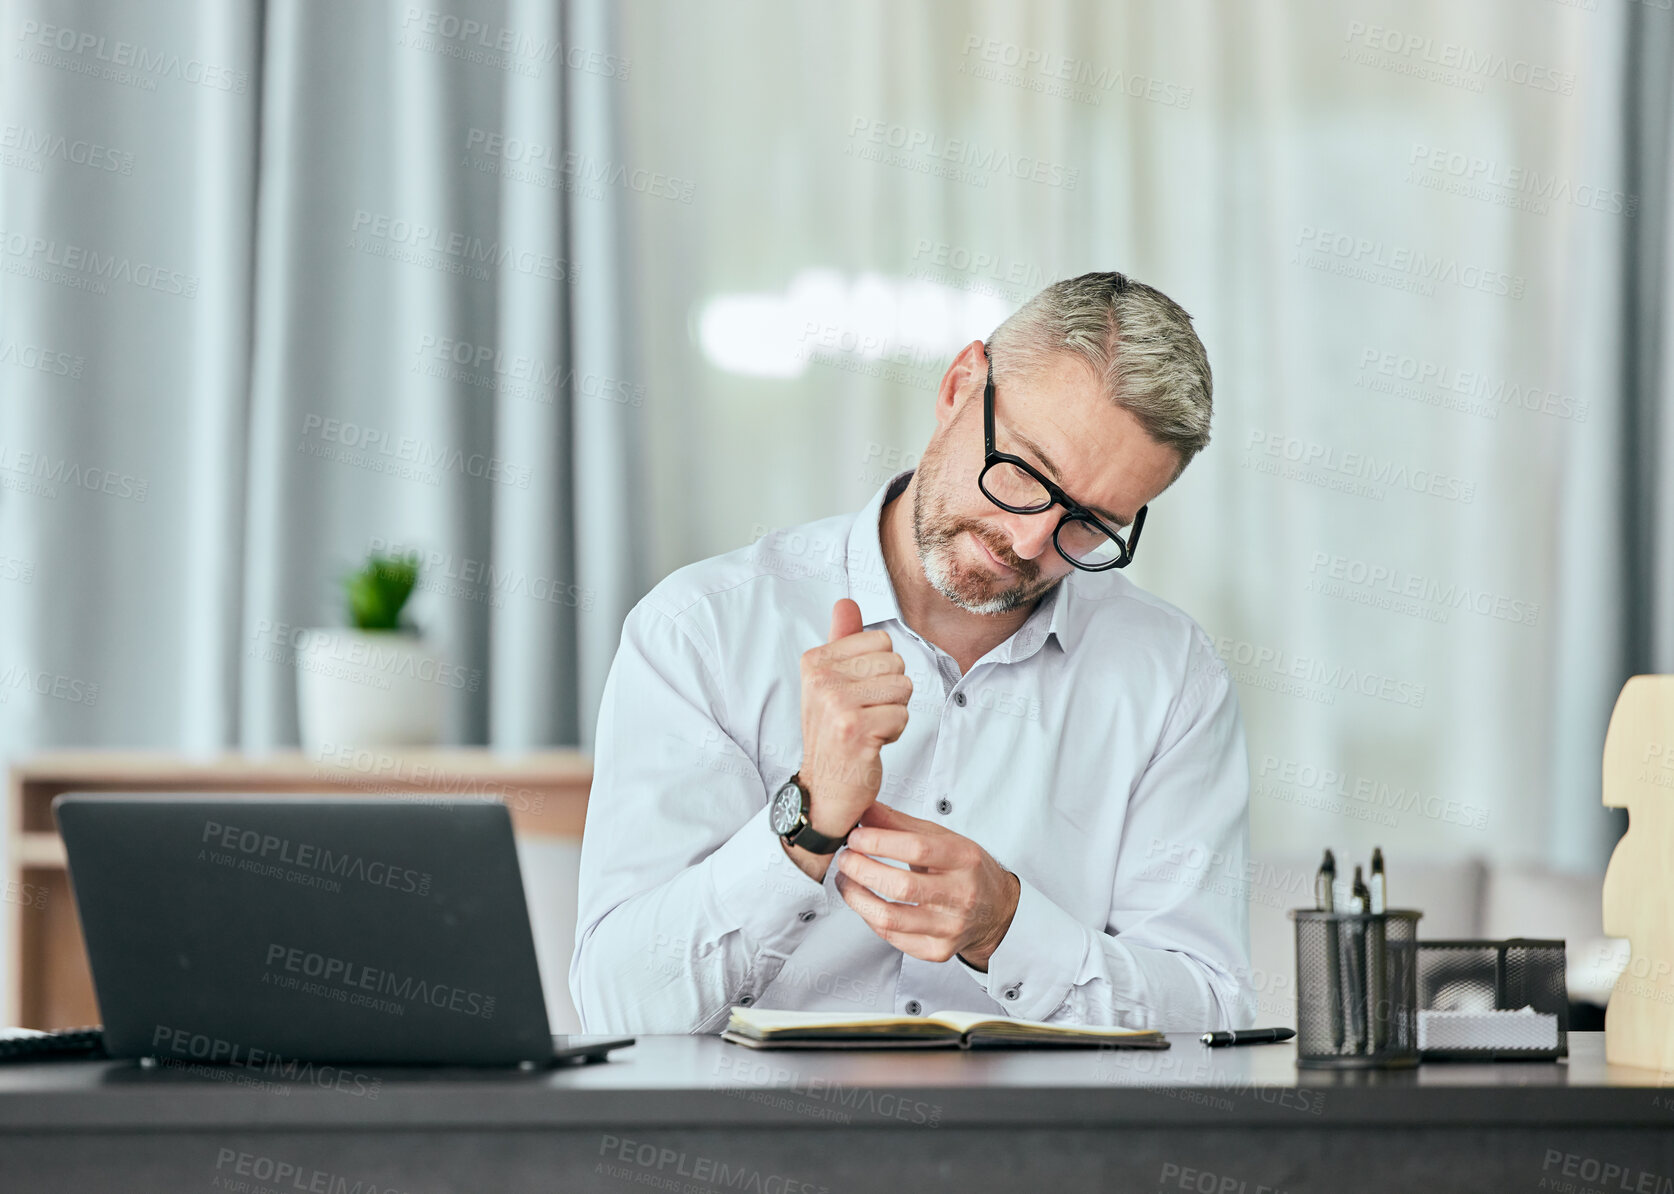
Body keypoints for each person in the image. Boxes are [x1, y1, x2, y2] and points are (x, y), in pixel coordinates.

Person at [571, 272, 1254, 1033]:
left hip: (1042, 1152)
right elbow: (616, 1005)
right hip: (759, 1149)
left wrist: (1006, 928)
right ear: (962, 384)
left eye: (1089, 522)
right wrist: (806, 819)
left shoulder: (1171, 679)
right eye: (1027, 474)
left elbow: (1213, 1018)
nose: (1029, 541)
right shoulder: (701, 632)